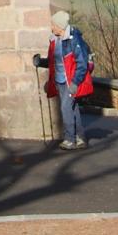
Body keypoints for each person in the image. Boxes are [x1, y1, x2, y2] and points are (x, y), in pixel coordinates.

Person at [33, 10, 95, 150]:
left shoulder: (73, 40)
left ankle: (69, 140)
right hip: (60, 81)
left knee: (66, 108)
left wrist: (75, 83)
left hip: (71, 81)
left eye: (53, 25)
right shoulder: (55, 40)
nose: (52, 27)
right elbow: (53, 62)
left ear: (60, 26)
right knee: (73, 109)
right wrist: (40, 62)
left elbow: (82, 63)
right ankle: (80, 138)